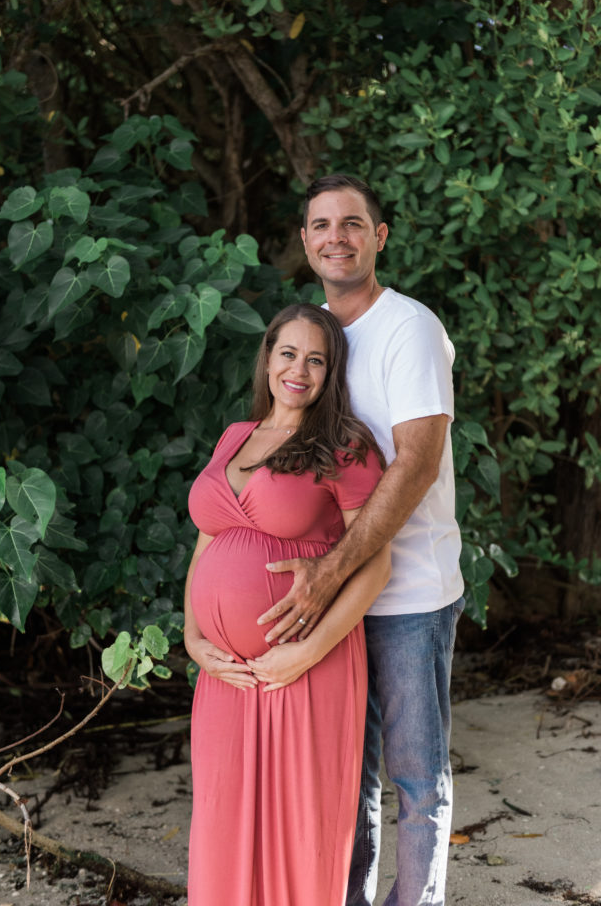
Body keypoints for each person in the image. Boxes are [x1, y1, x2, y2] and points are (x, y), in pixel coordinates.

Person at [258, 175, 465, 906]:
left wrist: (329, 572)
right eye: (320, 224)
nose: (335, 236)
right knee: (344, 777)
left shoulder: (409, 328)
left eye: (353, 223)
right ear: (306, 240)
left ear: (379, 237)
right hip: (332, 597)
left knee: (415, 777)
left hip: (408, 595)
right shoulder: (310, 331)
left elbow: (416, 464)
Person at [184, 302, 391, 906]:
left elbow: (375, 563)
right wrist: (194, 640)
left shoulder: (344, 447)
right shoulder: (235, 437)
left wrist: (301, 655)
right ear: (268, 357)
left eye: (317, 359)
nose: (299, 369)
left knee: (301, 829)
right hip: (224, 675)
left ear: (332, 373)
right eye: (288, 353)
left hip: (304, 669)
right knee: (223, 821)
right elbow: (206, 548)